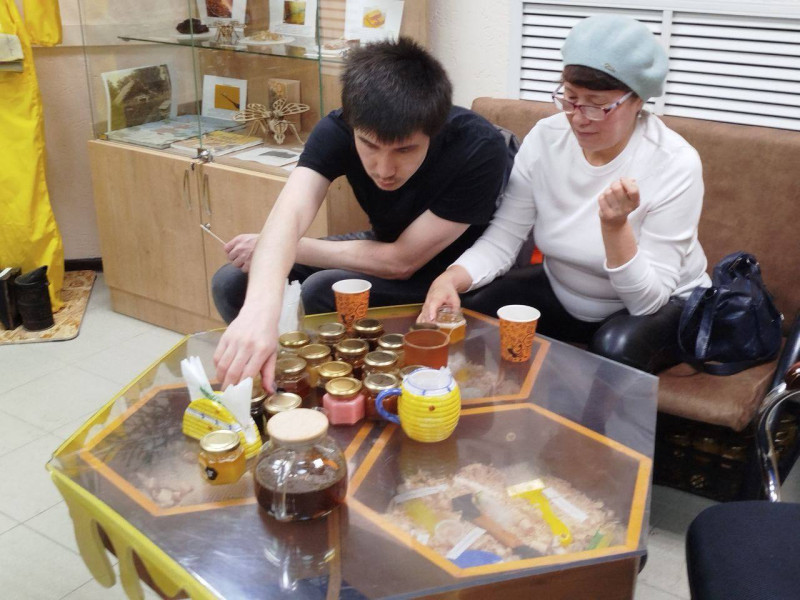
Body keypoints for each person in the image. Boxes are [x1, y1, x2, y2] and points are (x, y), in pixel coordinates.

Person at [214, 37, 514, 389]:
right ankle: (280, 380)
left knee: (325, 289)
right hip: (383, 247)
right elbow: (288, 215)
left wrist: (288, 247)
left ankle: (345, 386)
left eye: (405, 150)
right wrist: (258, 312)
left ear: (433, 132)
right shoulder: (337, 128)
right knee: (233, 282)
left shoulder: (477, 147)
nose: (384, 169)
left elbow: (402, 261)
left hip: (449, 273)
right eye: (369, 145)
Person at [420, 14, 712, 374]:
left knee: (614, 350)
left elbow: (645, 302)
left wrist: (615, 228)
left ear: (637, 101)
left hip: (663, 305)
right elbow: (503, 238)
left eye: (596, 105)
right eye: (570, 98)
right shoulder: (546, 138)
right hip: (565, 293)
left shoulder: (674, 162)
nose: (578, 117)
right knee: (472, 308)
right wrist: (449, 278)